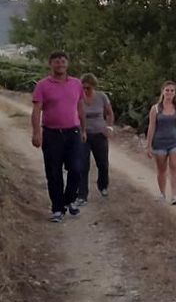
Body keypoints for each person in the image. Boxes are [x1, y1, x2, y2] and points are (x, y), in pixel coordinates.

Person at [31, 50, 86, 222]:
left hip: (73, 132)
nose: (60, 64)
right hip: (52, 134)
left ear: (67, 63)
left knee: (76, 169)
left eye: (63, 61)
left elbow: (80, 107)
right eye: (56, 61)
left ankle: (69, 199)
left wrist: (84, 129)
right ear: (50, 64)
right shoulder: (42, 85)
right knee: (54, 172)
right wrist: (36, 132)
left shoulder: (76, 83)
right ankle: (57, 209)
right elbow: (36, 110)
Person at [145, 81, 176, 205]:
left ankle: (175, 195)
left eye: (172, 90)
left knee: (175, 166)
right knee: (161, 169)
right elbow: (151, 127)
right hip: (159, 142)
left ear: (175, 93)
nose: (169, 93)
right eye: (167, 90)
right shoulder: (155, 109)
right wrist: (148, 145)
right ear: (163, 91)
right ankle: (162, 194)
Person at [77, 73, 114, 205]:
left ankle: (103, 185)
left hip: (99, 134)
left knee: (103, 163)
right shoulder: (78, 98)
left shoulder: (101, 96)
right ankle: (82, 195)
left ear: (94, 86)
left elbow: (109, 113)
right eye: (83, 88)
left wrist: (109, 127)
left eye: (88, 88)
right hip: (83, 134)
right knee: (83, 165)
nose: (86, 90)